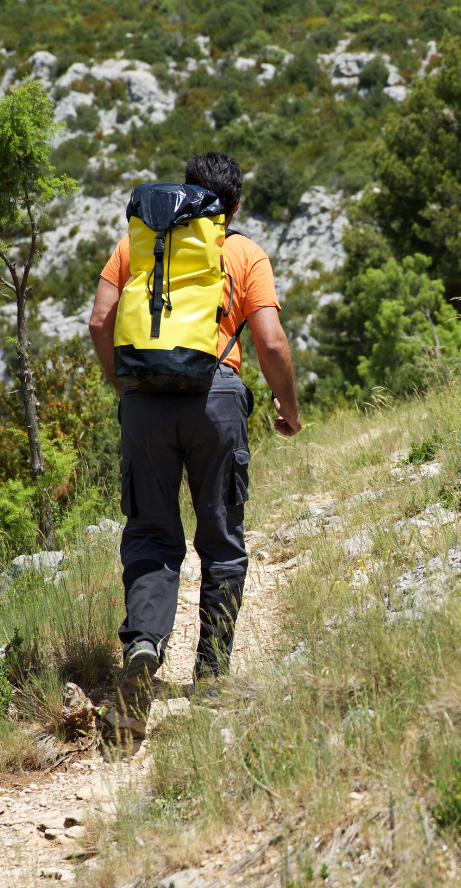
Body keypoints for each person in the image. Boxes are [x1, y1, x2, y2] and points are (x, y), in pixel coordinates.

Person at [88, 152, 301, 739]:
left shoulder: (138, 244)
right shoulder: (243, 253)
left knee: (152, 533)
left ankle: (146, 646)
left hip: (144, 404)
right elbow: (272, 342)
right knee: (222, 539)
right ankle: (210, 679)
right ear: (232, 207)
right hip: (217, 400)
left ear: (183, 196)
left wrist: (124, 388)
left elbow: (100, 322)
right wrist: (288, 405)